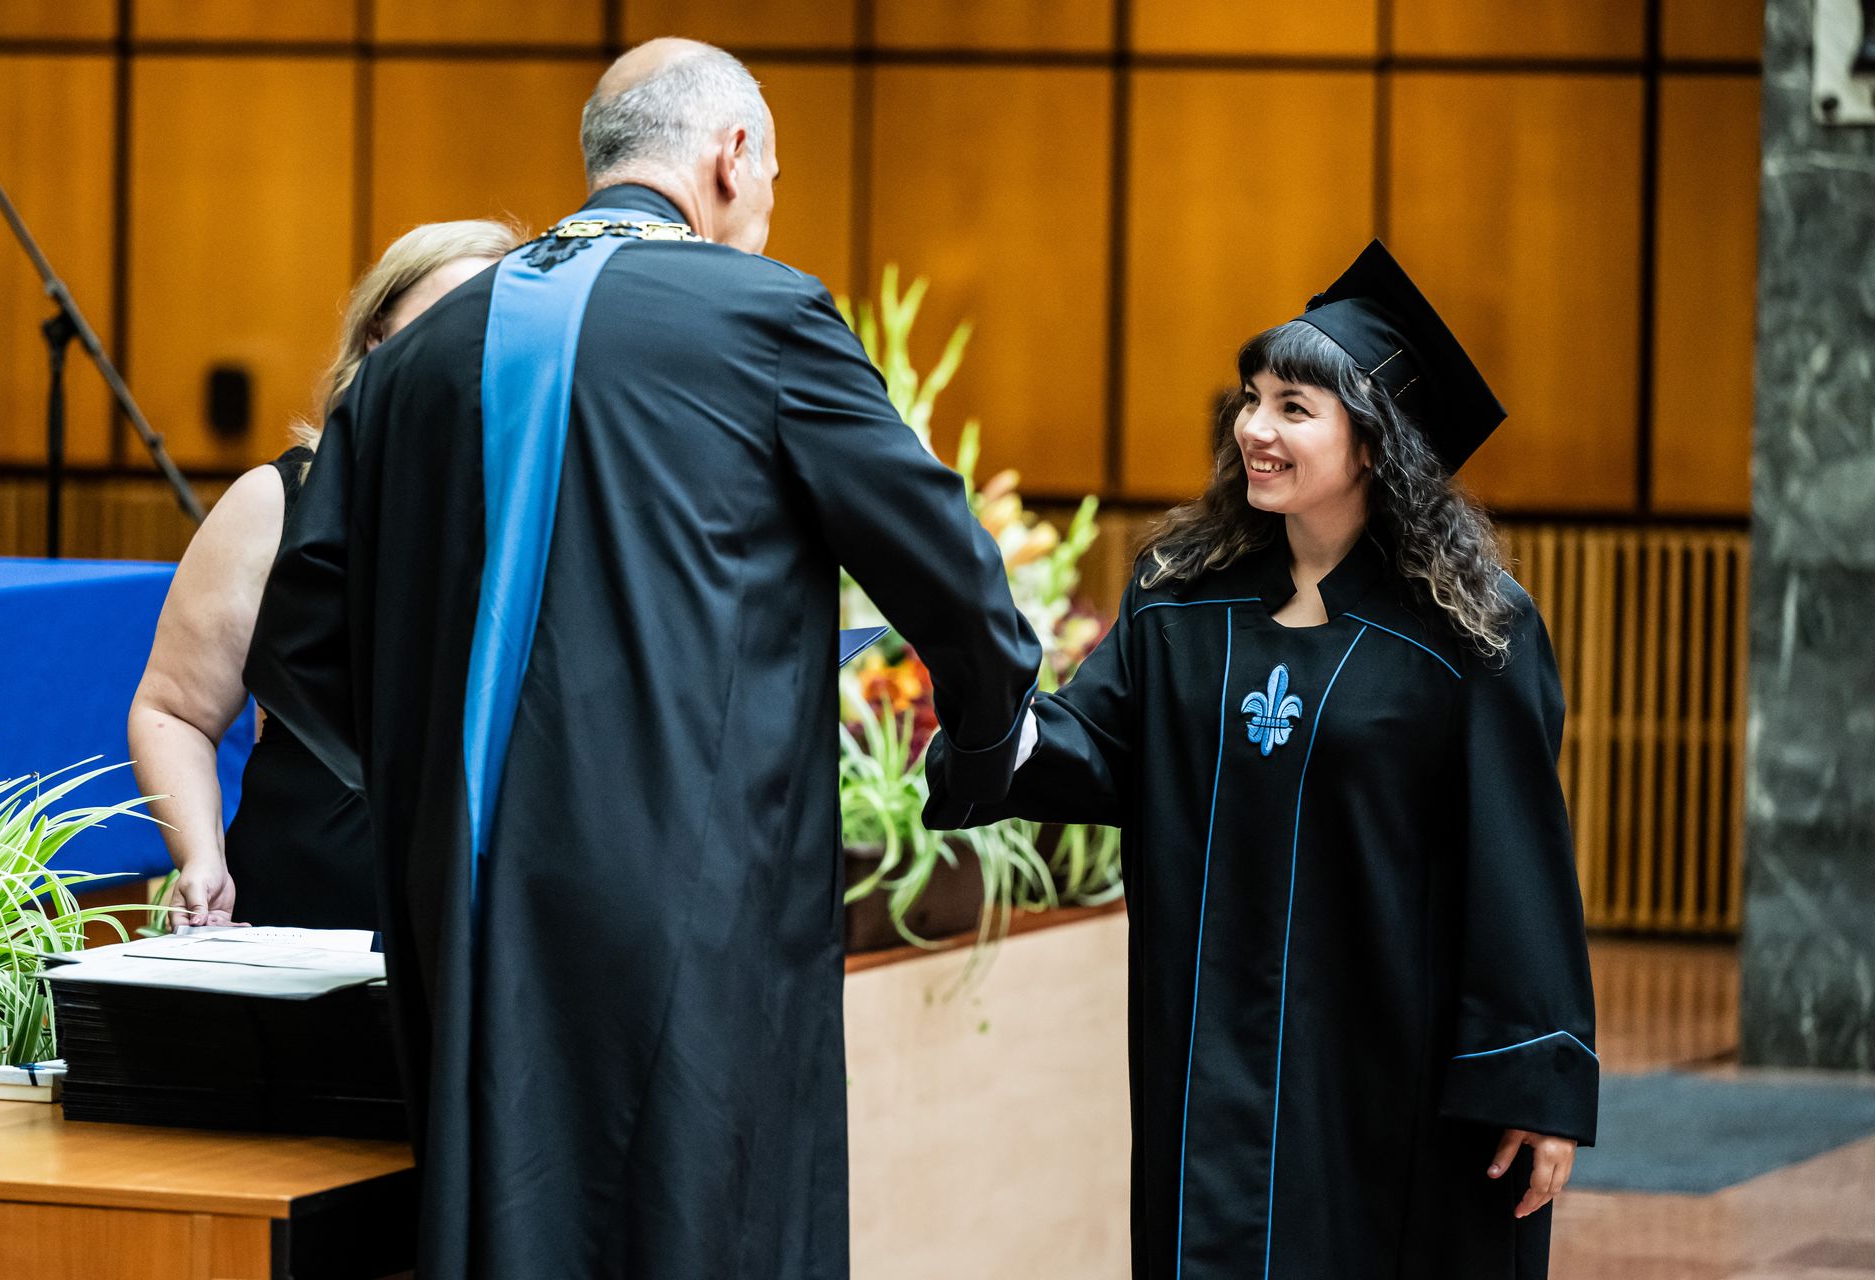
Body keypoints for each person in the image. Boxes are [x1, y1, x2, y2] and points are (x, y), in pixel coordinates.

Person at [249, 37, 1041, 1280]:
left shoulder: (418, 352)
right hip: (693, 880)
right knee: (695, 1211)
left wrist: (428, 785)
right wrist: (988, 751)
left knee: (503, 1210)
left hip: (462, 893)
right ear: (732, 155)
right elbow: (950, 574)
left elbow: (299, 637)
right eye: (770, 173)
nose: (768, 201)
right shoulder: (763, 316)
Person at [926, 241, 1598, 1278]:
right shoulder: (1182, 598)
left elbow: (1519, 862)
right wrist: (991, 712)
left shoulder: (1467, 633)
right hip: (1210, 1046)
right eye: (1251, 399)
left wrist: (1536, 1078)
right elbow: (1101, 745)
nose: (1254, 427)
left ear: (1371, 443)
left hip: (1382, 1050)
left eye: (1293, 407)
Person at [129, 219, 523, 930]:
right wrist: (201, 856)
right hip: (296, 908)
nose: (472, 344)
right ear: (377, 335)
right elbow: (174, 711)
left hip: (486, 918)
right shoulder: (277, 503)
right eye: (451, 316)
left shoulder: (544, 508)